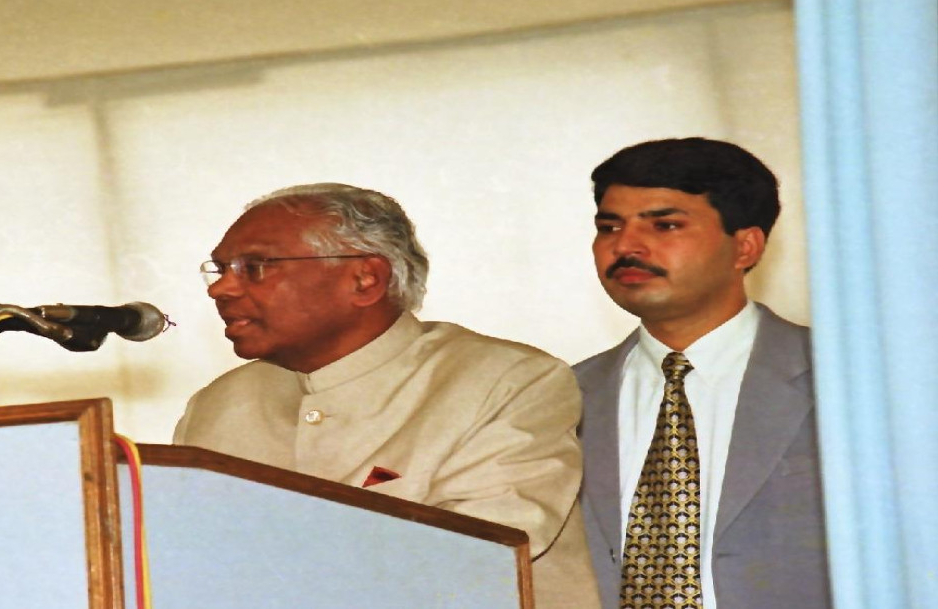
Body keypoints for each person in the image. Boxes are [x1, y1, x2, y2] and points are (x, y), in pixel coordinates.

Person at [174, 183, 599, 608]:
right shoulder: (218, 405)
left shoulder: (507, 381)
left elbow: (469, 559)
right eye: (220, 269)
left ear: (365, 279)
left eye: (254, 267)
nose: (221, 289)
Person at [575, 138, 829, 608]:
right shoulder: (562, 397)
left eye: (665, 225)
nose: (625, 246)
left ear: (745, 246)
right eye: (609, 227)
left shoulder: (840, 381)